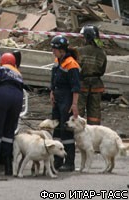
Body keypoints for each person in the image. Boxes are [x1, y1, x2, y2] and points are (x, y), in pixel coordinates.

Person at [50, 35, 80, 172]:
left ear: (62, 50)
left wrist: (74, 105)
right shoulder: (58, 61)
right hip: (58, 96)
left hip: (67, 98)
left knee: (66, 130)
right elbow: (54, 78)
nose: (53, 52)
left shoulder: (71, 64)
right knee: (56, 128)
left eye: (54, 49)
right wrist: (52, 92)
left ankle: (69, 162)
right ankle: (57, 160)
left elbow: (75, 87)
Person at [78, 25, 107, 125]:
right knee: (94, 112)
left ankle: (77, 134)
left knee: (78, 111)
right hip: (96, 85)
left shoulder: (79, 51)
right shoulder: (102, 53)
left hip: (82, 85)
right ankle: (94, 133)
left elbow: (75, 69)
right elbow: (102, 71)